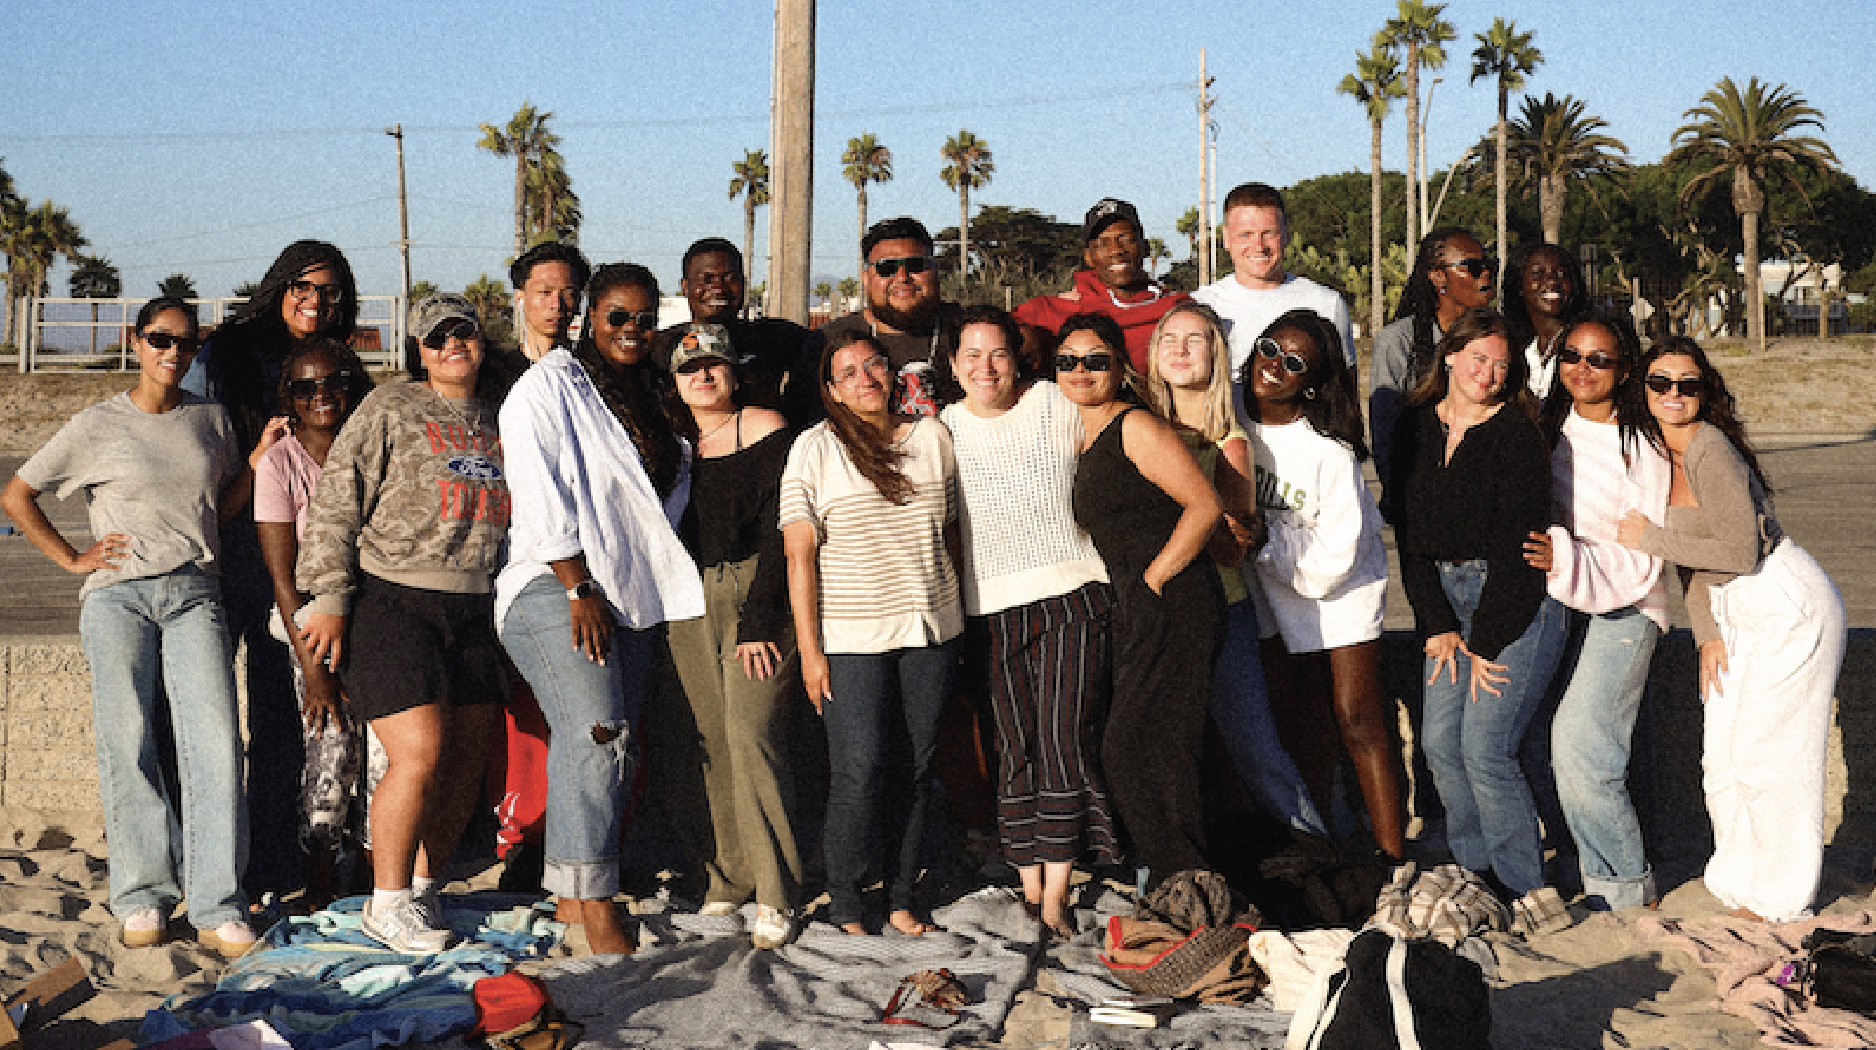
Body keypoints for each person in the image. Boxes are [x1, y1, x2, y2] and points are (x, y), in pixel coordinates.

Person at [2, 298, 267, 958]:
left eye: (186, 342)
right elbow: (17, 494)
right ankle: (143, 895)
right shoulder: (98, 423)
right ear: (136, 341)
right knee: (132, 743)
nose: (173, 353)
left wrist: (258, 460)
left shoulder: (211, 420)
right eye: (160, 339)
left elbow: (221, 505)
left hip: (193, 593)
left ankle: (216, 902)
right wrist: (71, 557)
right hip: (117, 598)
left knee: (214, 744)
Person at [496, 264, 704, 957]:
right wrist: (577, 585)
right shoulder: (549, 386)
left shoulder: (652, 396)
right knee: (599, 733)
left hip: (631, 595)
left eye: (645, 320)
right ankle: (596, 901)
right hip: (554, 584)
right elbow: (538, 489)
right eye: (618, 316)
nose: (632, 331)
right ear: (589, 316)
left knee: (610, 746)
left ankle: (567, 893)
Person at [297, 293, 511, 954]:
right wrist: (330, 593)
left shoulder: (502, 416)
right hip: (393, 598)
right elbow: (338, 495)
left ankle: (420, 890)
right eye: (436, 337)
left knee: (466, 760)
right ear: (417, 349)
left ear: (480, 340)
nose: (452, 345)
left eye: (463, 333)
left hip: (477, 603)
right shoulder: (390, 406)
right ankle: (384, 901)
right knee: (418, 750)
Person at [1616, 337, 1846, 922]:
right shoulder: (1663, 453)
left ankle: (1780, 897)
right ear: (1643, 390)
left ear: (1705, 390)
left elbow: (1740, 551)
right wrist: (1706, 632)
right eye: (1660, 382)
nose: (1673, 394)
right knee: (1723, 753)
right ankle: (1738, 878)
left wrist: (1648, 537)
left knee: (1773, 758)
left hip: (1782, 601)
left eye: (1687, 384)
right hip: (1733, 606)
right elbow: (1699, 562)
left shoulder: (1709, 449)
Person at [185, 239, 361, 908]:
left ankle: (276, 858)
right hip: (227, 547)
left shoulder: (339, 368)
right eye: (303, 286)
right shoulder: (226, 355)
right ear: (278, 285)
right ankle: (202, 858)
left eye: (330, 291)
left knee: (284, 716)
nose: (316, 301)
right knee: (205, 720)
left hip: (298, 562)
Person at [939, 305, 1118, 938]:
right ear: (953, 364)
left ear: (1018, 359)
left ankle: (1057, 895)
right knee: (1014, 747)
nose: (985, 368)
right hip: (988, 610)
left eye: (998, 354)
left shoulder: (1053, 403)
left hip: (1071, 594)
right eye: (971, 355)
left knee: (1064, 739)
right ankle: (1027, 880)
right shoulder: (942, 430)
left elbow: (1120, 440)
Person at [780, 330, 963, 936]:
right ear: (830, 389)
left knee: (915, 767)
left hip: (931, 629)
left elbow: (955, 533)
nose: (865, 378)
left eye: (874, 365)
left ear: (892, 373)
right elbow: (798, 557)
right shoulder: (814, 448)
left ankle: (903, 896)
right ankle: (847, 900)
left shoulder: (934, 438)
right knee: (858, 769)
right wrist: (810, 653)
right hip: (850, 638)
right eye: (848, 372)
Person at [1390, 307, 1567, 920]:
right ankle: (1474, 875)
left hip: (1511, 605)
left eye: (1500, 363)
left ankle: (1525, 886)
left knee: (1486, 749)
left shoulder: (1518, 433)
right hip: (1443, 601)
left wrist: (1484, 643)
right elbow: (1408, 534)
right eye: (1477, 358)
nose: (1488, 373)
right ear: (1449, 357)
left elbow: (1520, 551)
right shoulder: (1413, 425)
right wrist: (1437, 624)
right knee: (1441, 744)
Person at [1140, 303, 1325, 839]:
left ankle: (1321, 857)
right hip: (1156, 611)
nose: (1179, 348)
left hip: (1222, 609)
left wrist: (1214, 518)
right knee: (1165, 749)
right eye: (1169, 338)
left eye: (1194, 340)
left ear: (1215, 356)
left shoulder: (1229, 441)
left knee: (1255, 747)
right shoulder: (1137, 424)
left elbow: (1231, 550)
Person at [1059, 313, 1225, 888]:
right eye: (1068, 360)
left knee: (1136, 749)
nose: (1081, 370)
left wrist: (1153, 580)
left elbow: (1204, 506)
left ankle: (1188, 879)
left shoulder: (1135, 426)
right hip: (1135, 602)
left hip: (1174, 598)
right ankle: (1180, 875)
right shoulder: (1075, 431)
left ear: (1121, 367)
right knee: (1155, 748)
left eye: (1096, 359)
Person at [1239, 309, 1406, 860]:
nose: (1273, 367)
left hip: (1340, 590)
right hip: (1274, 587)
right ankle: (1324, 847)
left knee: (1356, 717)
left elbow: (1335, 557)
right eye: (1269, 348)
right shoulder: (1236, 423)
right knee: (1299, 722)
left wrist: (1263, 545)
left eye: (1293, 363)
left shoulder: (1328, 452)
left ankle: (1391, 857)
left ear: (1312, 381)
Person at [1518, 315, 1670, 910]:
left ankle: (1627, 886)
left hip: (1628, 604)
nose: (1582, 369)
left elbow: (1643, 552)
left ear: (1624, 369)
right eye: (1572, 356)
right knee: (1535, 738)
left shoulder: (1643, 446)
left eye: (1599, 359)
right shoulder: (1548, 428)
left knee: (1583, 743)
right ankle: (1589, 869)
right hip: (1559, 600)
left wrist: (1567, 555)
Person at [664, 323, 805, 950]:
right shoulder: (672, 446)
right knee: (711, 740)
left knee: (753, 736)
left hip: (756, 592)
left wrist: (761, 621)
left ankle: (778, 889)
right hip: (688, 597)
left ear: (733, 370)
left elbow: (783, 531)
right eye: (689, 368)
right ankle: (730, 877)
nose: (703, 375)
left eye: (714, 364)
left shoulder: (770, 428)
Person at [253, 338, 377, 910]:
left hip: (380, 625)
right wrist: (316, 669)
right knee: (330, 759)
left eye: (333, 383)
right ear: (291, 398)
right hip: (314, 635)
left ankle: (377, 885)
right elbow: (283, 577)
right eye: (306, 388)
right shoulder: (279, 463)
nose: (321, 396)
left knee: (383, 764)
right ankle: (322, 890)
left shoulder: (376, 445)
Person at [1369, 228, 1495, 498]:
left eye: (1488, 265)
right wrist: (1399, 495)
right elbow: (1384, 430)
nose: (1485, 274)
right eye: (1472, 267)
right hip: (1420, 494)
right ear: (1439, 277)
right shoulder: (1398, 341)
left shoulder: (1496, 339)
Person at [1193, 183, 1356, 373]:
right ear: (1226, 238)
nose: (1259, 246)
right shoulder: (1200, 305)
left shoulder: (1325, 304)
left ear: (1285, 234)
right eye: (1245, 235)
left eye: (1269, 233)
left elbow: (1344, 392)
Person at [1014, 198, 1188, 374]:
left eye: (1126, 239)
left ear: (1145, 247)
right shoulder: (1055, 311)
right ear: (1088, 257)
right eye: (1103, 243)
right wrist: (1022, 335)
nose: (1116, 250)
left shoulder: (1175, 308)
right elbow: (992, 330)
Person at [809, 218, 960, 419]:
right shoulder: (826, 343)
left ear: (935, 271)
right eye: (886, 268)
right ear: (865, 278)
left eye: (916, 265)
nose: (902, 277)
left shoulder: (970, 330)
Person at [655, 238, 811, 424]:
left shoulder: (772, 338)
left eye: (729, 278)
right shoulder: (664, 347)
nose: (718, 288)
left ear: (743, 284)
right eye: (706, 279)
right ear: (685, 287)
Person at [1503, 242, 1587, 398]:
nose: (1552, 281)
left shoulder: (1584, 345)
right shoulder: (1514, 349)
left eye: (1561, 274)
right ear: (1519, 285)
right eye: (1538, 273)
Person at [510, 241, 591, 363]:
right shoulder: (496, 373)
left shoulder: (592, 372)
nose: (557, 304)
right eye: (544, 292)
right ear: (519, 296)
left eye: (568, 294)